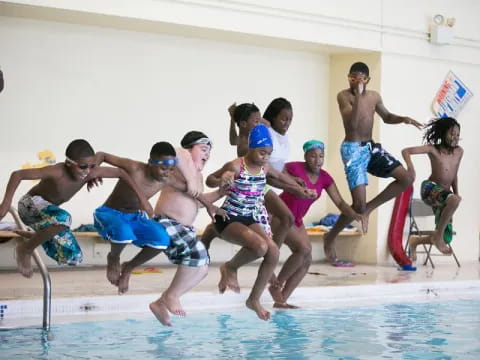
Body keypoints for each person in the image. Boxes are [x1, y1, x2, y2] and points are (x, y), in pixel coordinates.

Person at [206, 124, 316, 321]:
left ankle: (253, 300)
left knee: (273, 251)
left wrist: (302, 190)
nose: (265, 157)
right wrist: (222, 178)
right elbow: (210, 179)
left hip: (249, 217)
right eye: (262, 152)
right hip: (228, 217)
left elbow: (281, 178)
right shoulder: (236, 166)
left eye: (269, 153)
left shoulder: (265, 167)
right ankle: (230, 267)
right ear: (251, 148)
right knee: (260, 246)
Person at [0, 139, 152, 278]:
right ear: (68, 163)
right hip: (30, 206)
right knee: (64, 218)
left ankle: (35, 236)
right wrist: (6, 203)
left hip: (49, 216)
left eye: (92, 166)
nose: (87, 171)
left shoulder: (90, 172)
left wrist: (143, 200)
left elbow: (121, 173)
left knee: (73, 257)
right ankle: (26, 249)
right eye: (83, 167)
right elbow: (18, 174)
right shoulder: (56, 171)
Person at [323, 61, 423, 265]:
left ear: (368, 80)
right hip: (352, 149)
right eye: (353, 78)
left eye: (361, 79)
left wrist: (402, 118)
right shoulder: (344, 96)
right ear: (348, 77)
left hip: (370, 148)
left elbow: (386, 117)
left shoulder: (374, 96)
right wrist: (358, 96)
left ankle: (368, 209)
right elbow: (352, 123)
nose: (356, 83)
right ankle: (330, 237)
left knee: (406, 178)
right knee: (357, 205)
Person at [92, 142, 223, 294]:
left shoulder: (166, 178)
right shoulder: (134, 168)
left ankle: (129, 267)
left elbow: (191, 192)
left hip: (134, 218)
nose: (166, 173)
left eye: (171, 169)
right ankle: (114, 257)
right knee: (124, 231)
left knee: (162, 239)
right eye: (163, 168)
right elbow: (102, 154)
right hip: (110, 214)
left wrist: (209, 205)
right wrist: (92, 172)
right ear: (150, 163)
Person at [269, 140, 366, 308]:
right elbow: (273, 172)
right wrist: (292, 179)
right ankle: (276, 285)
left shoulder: (325, 177)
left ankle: (281, 300)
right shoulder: (294, 167)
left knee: (306, 260)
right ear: (305, 156)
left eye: (321, 156)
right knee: (304, 249)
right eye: (313, 156)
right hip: (280, 215)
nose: (317, 160)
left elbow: (341, 204)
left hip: (297, 220)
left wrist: (356, 215)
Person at [150, 131, 227, 327]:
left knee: (201, 268)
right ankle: (172, 296)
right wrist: (191, 177)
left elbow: (199, 203)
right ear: (188, 149)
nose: (207, 155)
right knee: (198, 253)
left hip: (183, 229)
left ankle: (162, 301)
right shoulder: (177, 166)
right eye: (203, 149)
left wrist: (219, 193)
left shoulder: (197, 177)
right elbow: (176, 151)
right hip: (167, 222)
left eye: (209, 151)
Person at [402, 117, 463, 261]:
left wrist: (456, 195)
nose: (455, 137)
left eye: (457, 135)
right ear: (443, 133)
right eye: (451, 134)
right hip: (429, 189)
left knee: (446, 237)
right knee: (453, 200)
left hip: (446, 196)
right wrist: (410, 168)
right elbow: (406, 151)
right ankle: (437, 238)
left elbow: (454, 175)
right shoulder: (433, 149)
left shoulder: (459, 152)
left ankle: (415, 242)